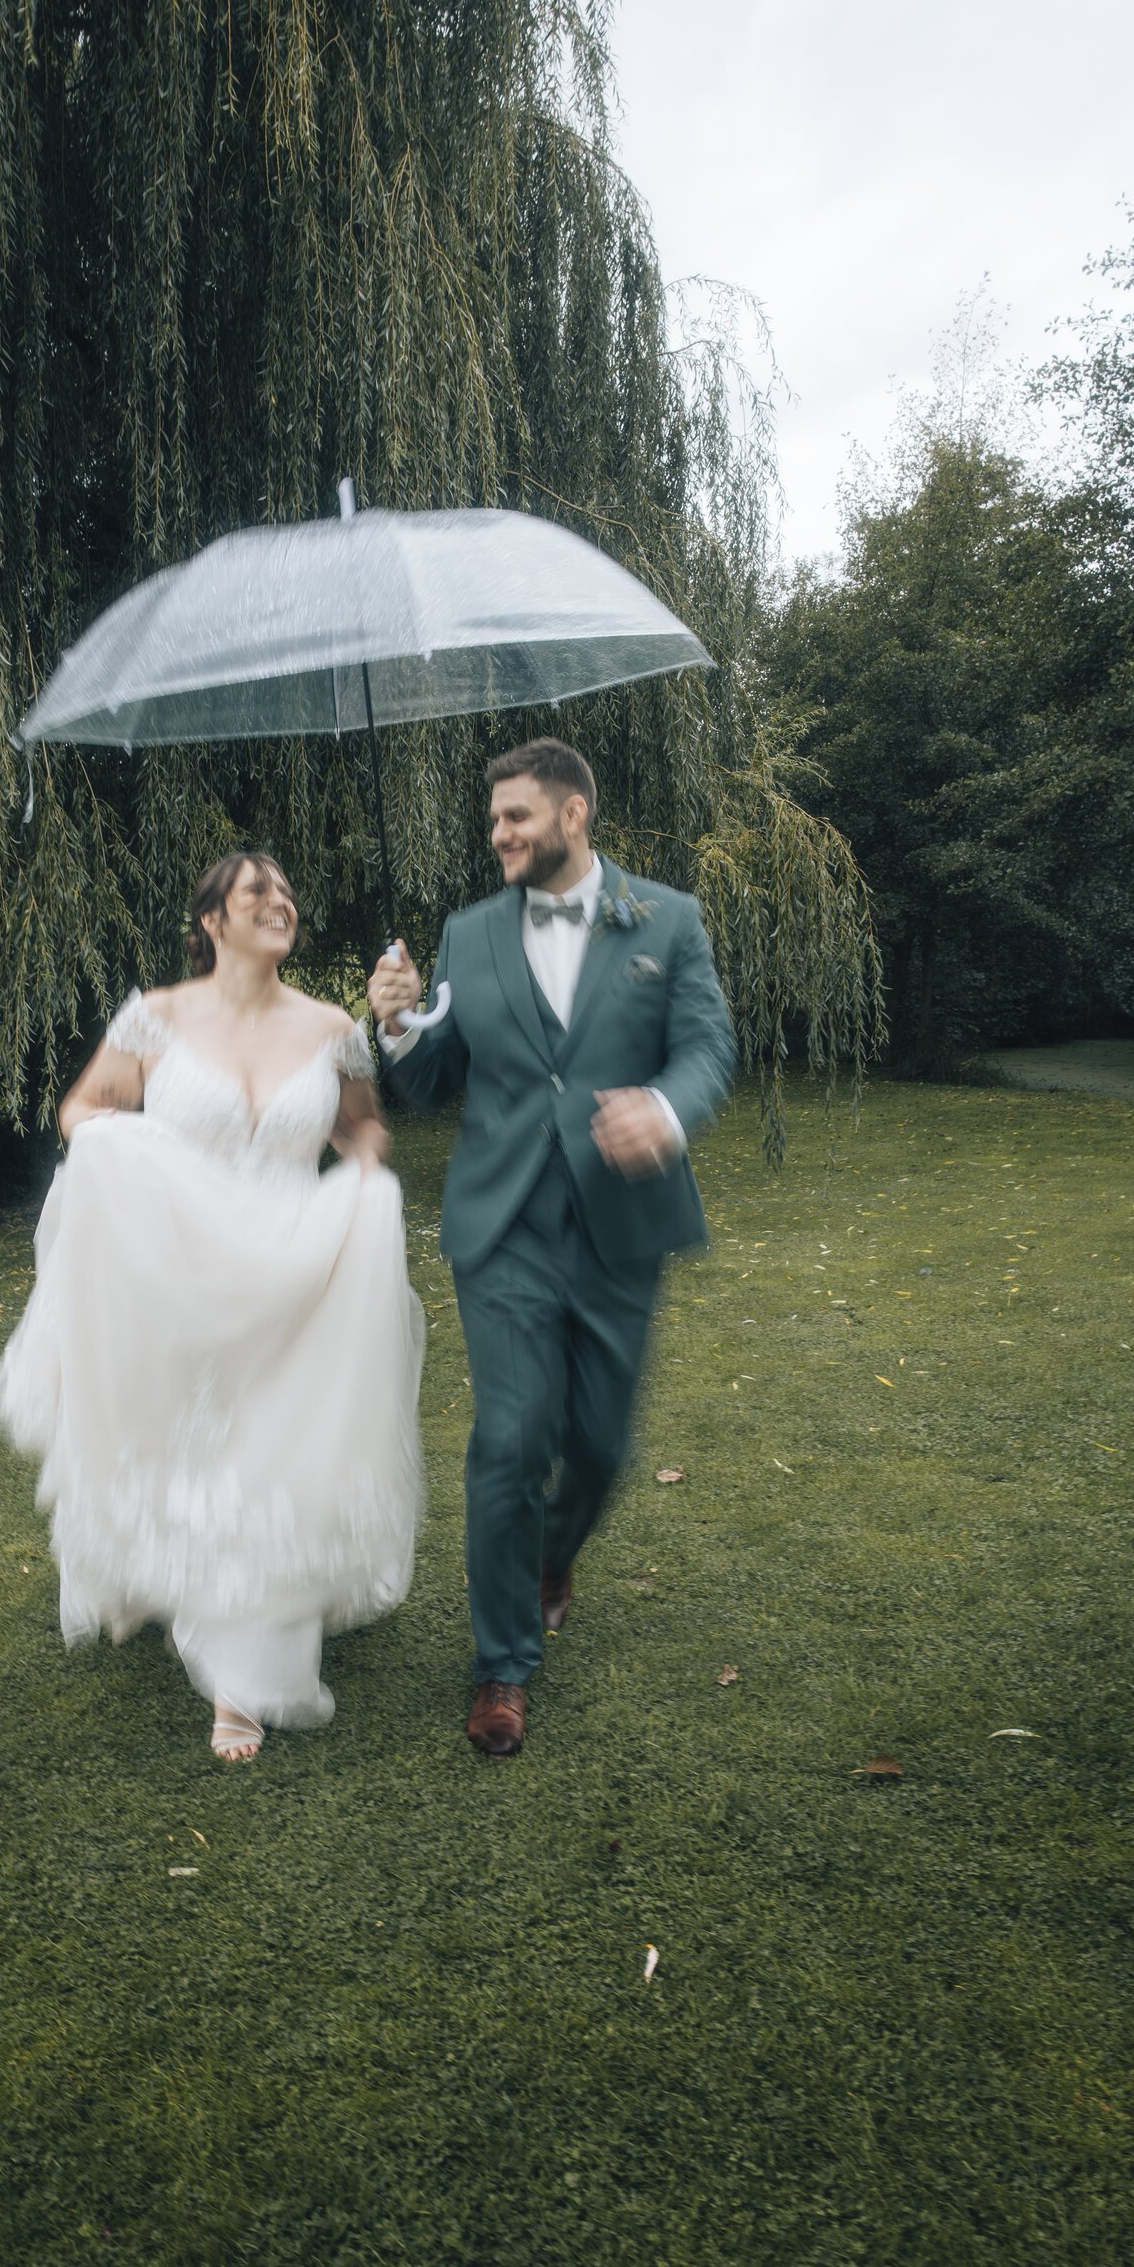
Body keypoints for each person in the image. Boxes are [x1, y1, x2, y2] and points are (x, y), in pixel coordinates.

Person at [0, 852, 424, 1762]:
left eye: (287, 891)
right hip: (179, 1261)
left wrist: (365, 1179)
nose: (280, 901)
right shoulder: (154, 1017)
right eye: (256, 890)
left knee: (268, 1450)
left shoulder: (332, 1026)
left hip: (288, 1266)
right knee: (183, 1433)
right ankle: (158, 1575)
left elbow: (360, 1125)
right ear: (211, 922)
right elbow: (85, 1113)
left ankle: (244, 1673)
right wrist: (141, 1164)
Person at [368, 738, 736, 1758]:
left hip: (620, 1224)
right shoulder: (464, 932)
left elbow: (708, 1047)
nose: (498, 835)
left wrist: (664, 1109)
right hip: (503, 1227)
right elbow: (433, 1077)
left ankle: (554, 1557)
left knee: (598, 1445)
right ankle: (500, 1666)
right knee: (508, 1439)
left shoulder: (667, 920)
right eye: (492, 821)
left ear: (573, 814)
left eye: (516, 817)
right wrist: (398, 1028)